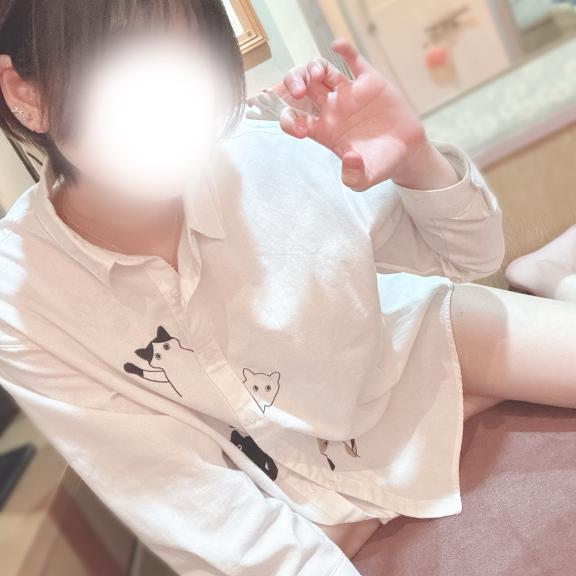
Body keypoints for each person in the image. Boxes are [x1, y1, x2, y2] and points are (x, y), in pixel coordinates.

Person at [0, 1, 574, 575]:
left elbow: (470, 256)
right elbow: (191, 502)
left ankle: (547, 275)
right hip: (293, 484)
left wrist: (416, 161)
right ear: (27, 92)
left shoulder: (267, 150)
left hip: (416, 346)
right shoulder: (24, 295)